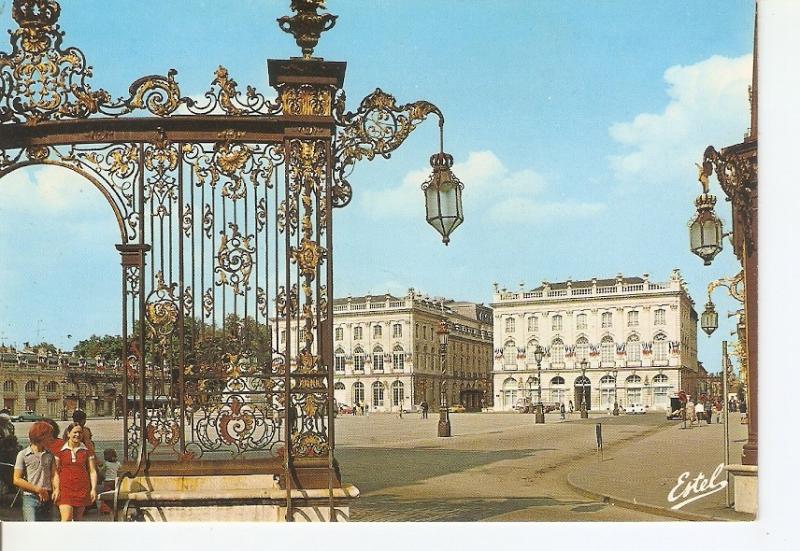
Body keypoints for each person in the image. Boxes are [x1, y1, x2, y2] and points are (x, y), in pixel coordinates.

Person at [13, 421, 59, 521]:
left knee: (46, 530)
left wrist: (56, 489)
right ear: (41, 436)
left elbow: (54, 474)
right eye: (50, 435)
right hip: (30, 498)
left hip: (47, 497)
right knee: (31, 528)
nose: (52, 438)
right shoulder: (23, 454)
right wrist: (37, 489)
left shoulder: (49, 454)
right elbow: (16, 479)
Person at [55, 423, 98, 521]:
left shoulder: (87, 450)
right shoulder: (60, 451)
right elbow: (55, 473)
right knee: (66, 519)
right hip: (65, 489)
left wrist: (94, 489)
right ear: (68, 433)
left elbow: (92, 471)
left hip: (82, 488)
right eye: (75, 432)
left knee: (78, 520)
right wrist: (56, 489)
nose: (77, 435)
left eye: (80, 432)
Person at [0, 412, 19, 494]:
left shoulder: (8, 427)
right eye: (6, 421)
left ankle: (11, 486)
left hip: (8, 450)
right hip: (3, 451)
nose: (8, 422)